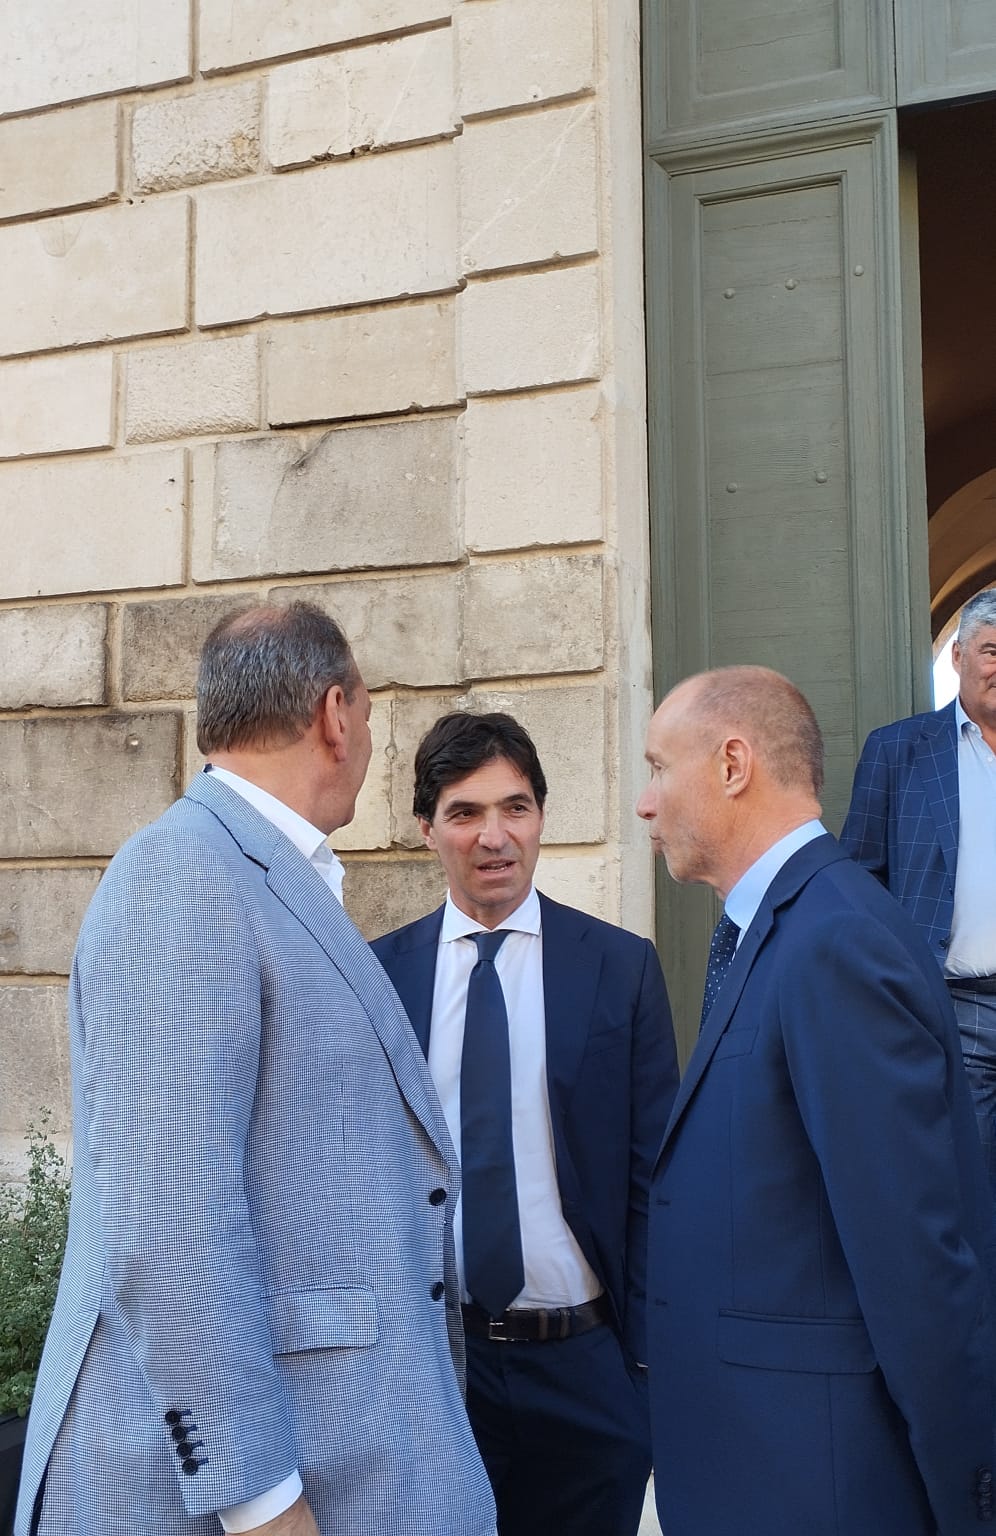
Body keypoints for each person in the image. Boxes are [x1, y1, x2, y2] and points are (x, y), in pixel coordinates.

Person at [16, 603, 495, 1536]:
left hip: (345, 1455)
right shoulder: (183, 875)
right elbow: (168, 1222)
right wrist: (263, 1503)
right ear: (335, 716)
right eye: (367, 714)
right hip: (243, 1496)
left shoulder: (261, 871)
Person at [637, 665, 996, 1536]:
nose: (645, 803)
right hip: (761, 1463)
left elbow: (914, 1260)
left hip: (821, 1483)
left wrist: (969, 1499)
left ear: (733, 765)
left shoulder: (836, 940)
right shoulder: (781, 928)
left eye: (657, 768)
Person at [372, 711, 678, 1536]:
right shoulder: (377, 978)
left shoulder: (620, 968)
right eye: (464, 813)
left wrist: (643, 1370)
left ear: (541, 816)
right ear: (426, 828)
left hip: (588, 1372)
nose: (493, 836)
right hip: (439, 1375)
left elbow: (655, 1181)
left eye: (515, 807)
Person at [841, 587, 996, 1188]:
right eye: (991, 652)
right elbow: (859, 883)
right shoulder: (898, 751)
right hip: (953, 1008)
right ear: (957, 656)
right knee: (967, 1187)